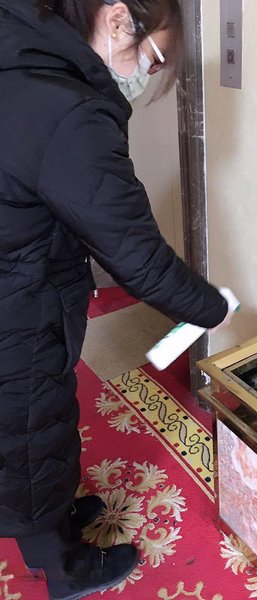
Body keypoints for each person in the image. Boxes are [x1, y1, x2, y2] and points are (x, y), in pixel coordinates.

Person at [0, 1, 231, 598]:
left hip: (20, 267)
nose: (146, 75)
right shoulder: (66, 110)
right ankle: (60, 567)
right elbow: (138, 257)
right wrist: (213, 308)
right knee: (28, 423)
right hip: (17, 297)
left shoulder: (20, 48)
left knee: (32, 411)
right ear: (118, 17)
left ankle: (53, 518)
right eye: (152, 59)